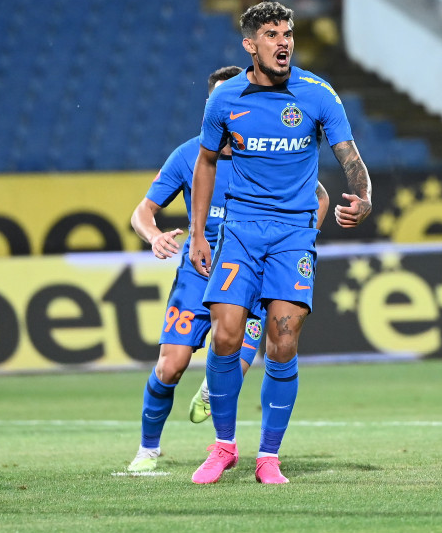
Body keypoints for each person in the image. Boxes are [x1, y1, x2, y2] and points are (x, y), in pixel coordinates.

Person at [189, 1, 371, 484]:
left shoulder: (317, 94)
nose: (283, 42)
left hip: (293, 235)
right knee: (225, 336)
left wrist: (365, 196)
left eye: (287, 33)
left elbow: (349, 155)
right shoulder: (225, 99)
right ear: (251, 45)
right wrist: (196, 234)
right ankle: (224, 446)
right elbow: (205, 163)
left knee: (283, 341)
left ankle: (268, 457)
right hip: (241, 233)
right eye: (271, 34)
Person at [126, 65, 330, 473]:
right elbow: (142, 211)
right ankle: (148, 448)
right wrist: (153, 236)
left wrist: (301, 239)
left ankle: (226, 442)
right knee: (171, 366)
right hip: (197, 273)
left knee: (234, 360)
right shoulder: (189, 155)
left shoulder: (266, 151)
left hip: (251, 275)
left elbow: (320, 196)